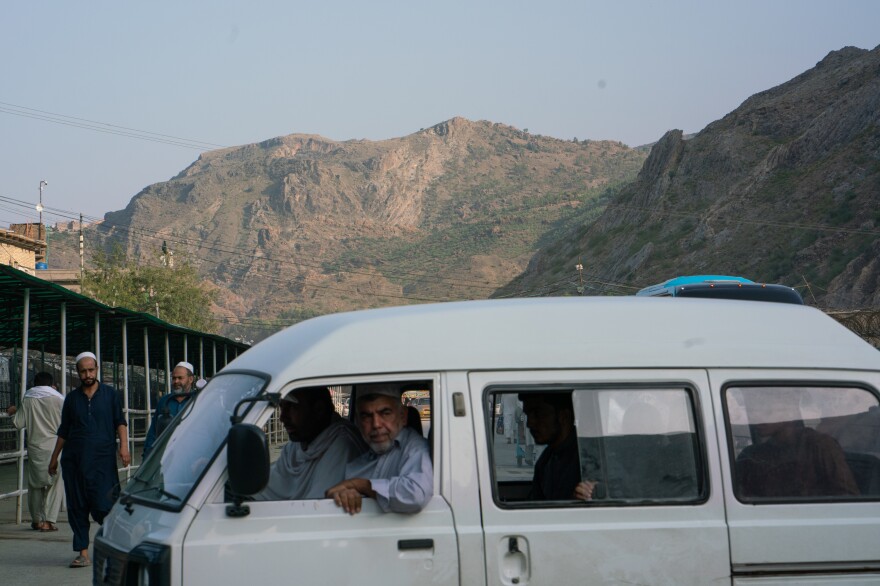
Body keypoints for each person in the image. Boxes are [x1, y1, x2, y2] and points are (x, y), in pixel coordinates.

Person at [48, 352, 130, 569]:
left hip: (102, 461)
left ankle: (114, 548)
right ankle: (83, 553)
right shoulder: (72, 399)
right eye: (83, 371)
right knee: (77, 506)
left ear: (97, 369)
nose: (88, 374)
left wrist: (124, 446)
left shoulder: (111, 395)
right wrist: (54, 458)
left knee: (106, 505)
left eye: (91, 370)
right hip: (74, 462)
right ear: (78, 372)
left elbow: (120, 422)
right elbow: (64, 430)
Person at [325, 383, 432, 515]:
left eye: (385, 413)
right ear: (358, 422)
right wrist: (346, 494)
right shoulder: (359, 460)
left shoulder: (416, 449)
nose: (376, 424)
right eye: (366, 416)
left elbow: (414, 495)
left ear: (403, 416)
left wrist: (361, 485)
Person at [735, 390, 859, 498]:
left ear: (789, 410)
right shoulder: (751, 456)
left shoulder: (820, 446)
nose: (756, 416)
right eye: (753, 410)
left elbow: (848, 498)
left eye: (766, 409)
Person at [253, 386, 367, 500]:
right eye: (282, 407)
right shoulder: (297, 445)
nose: (282, 417)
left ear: (319, 409)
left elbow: (320, 505)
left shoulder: (343, 444)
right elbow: (270, 486)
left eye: (292, 407)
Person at [6, 372, 65, 532]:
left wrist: (12, 411)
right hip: (55, 447)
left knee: (35, 485)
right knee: (55, 484)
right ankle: (49, 521)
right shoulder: (59, 399)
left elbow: (18, 423)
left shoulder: (29, 398)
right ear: (51, 383)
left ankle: (37, 520)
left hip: (35, 447)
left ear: (35, 384)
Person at [519, 392, 598, 501]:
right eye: (528, 415)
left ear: (563, 416)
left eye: (538, 414)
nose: (529, 423)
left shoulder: (589, 456)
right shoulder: (545, 460)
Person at [143, 361, 198, 456]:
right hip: (167, 455)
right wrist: (147, 455)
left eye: (180, 378)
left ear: (191, 379)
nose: (176, 382)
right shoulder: (165, 401)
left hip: (192, 455)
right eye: (174, 378)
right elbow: (154, 431)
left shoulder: (198, 399)